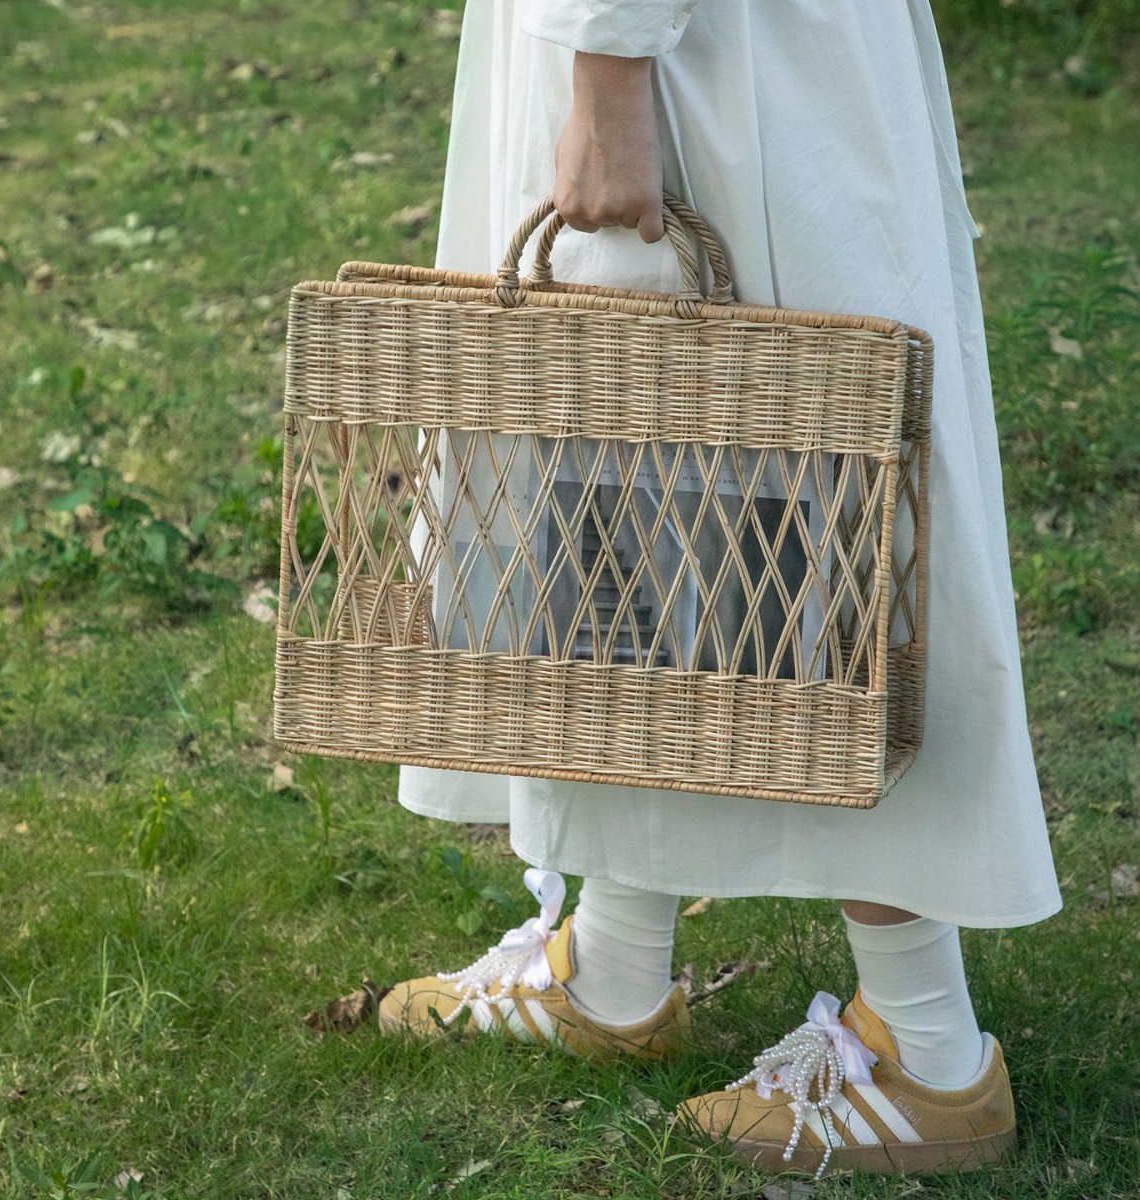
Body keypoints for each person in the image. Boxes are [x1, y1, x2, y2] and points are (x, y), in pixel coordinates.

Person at [378, 0, 1062, 1177]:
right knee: (636, 486)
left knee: (798, 490)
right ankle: (617, 961)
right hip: (686, 41)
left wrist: (608, 64)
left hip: (713, 55)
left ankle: (930, 1047)